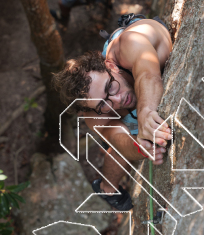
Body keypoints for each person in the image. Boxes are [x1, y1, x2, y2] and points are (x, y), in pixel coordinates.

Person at [53, 14, 173, 211]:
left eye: (110, 87)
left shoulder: (131, 43)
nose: (117, 100)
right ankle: (107, 189)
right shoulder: (93, 113)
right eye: (103, 103)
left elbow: (147, 73)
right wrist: (140, 147)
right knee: (121, 141)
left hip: (128, 43)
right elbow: (119, 142)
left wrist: (144, 113)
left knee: (134, 118)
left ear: (109, 66)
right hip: (107, 82)